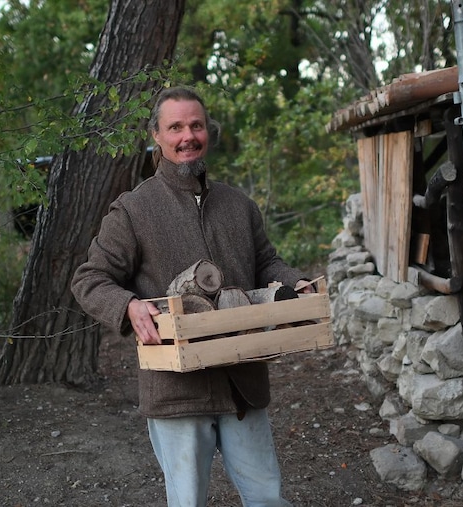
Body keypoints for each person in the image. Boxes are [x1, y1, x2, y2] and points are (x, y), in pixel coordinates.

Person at [71, 86, 311, 507]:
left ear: (208, 132)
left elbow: (267, 263)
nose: (188, 136)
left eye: (196, 125)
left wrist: (297, 283)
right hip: (176, 391)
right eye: (176, 127)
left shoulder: (239, 205)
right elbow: (90, 279)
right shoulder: (133, 210)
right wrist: (126, 305)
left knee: (268, 498)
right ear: (157, 136)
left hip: (244, 382)